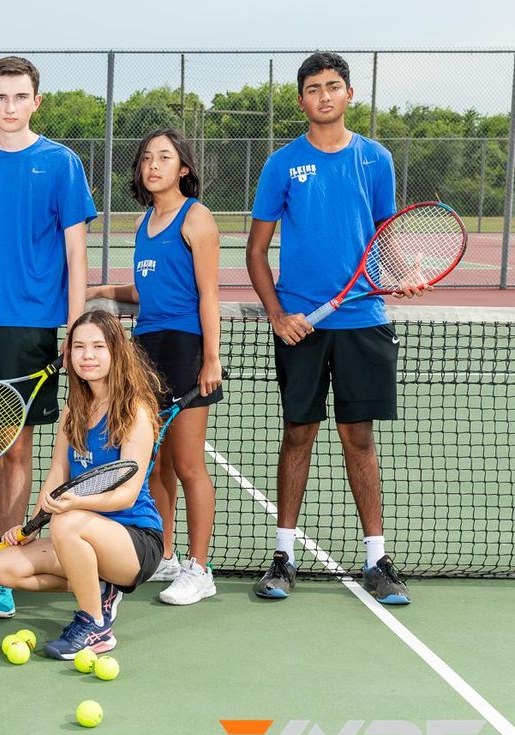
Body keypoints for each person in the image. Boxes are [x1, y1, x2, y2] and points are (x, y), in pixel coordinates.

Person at [247, 51, 420, 604]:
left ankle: (377, 560)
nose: (324, 95)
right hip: (301, 325)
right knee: (298, 433)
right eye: (314, 88)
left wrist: (404, 273)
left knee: (359, 438)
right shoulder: (281, 164)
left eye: (334, 85)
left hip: (363, 319)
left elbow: (385, 238)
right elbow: (256, 252)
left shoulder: (376, 160)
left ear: (348, 95)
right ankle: (283, 557)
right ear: (301, 100)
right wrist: (278, 314)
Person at [0, 56, 98, 618]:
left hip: (32, 322)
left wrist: (78, 326)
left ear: (36, 102)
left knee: (18, 444)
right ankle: (3, 552)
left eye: (20, 97)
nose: (9, 107)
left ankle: (7, 559)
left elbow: (76, 248)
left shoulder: (61, 163)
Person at [86, 128, 222, 605]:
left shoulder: (196, 217)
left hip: (186, 348)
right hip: (145, 350)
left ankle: (199, 568)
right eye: (147, 158)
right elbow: (149, 289)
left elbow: (208, 293)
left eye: (164, 157)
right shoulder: (145, 222)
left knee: (187, 463)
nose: (153, 165)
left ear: (184, 167)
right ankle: (162, 553)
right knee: (155, 461)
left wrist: (211, 358)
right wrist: (103, 291)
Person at [0, 310, 164, 658]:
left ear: (117, 351)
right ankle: (100, 588)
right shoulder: (74, 409)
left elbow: (126, 494)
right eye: (80, 347)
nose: (88, 355)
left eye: (98, 346)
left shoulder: (136, 413)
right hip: (83, 534)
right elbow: (57, 475)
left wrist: (70, 507)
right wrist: (32, 526)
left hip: (134, 541)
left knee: (67, 522)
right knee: (4, 567)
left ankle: (95, 626)